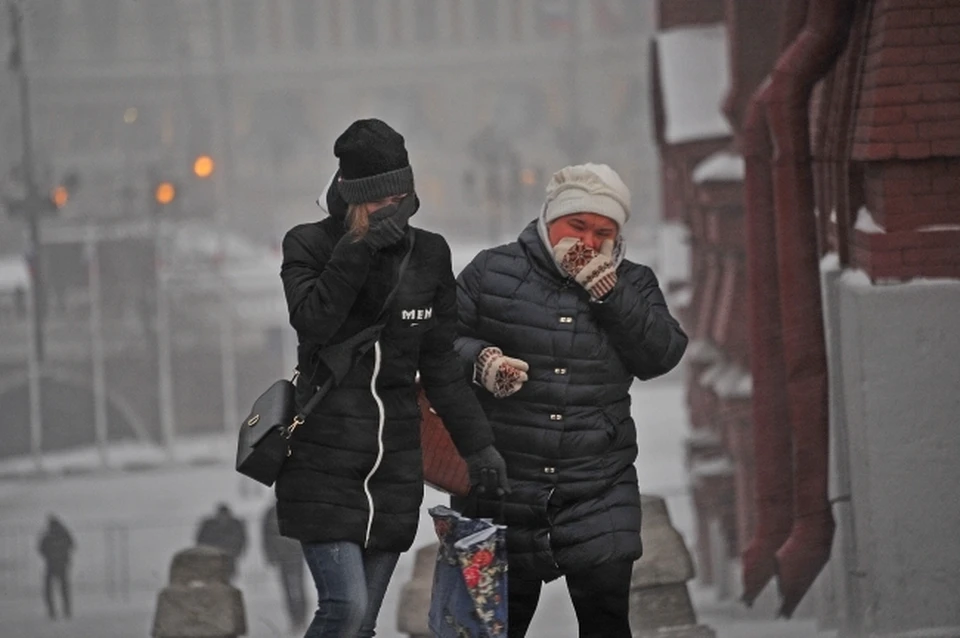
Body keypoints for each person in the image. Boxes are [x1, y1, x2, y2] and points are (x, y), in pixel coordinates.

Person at [276, 118, 508, 638]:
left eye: (401, 196)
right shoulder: (308, 245)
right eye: (380, 200)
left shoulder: (429, 255)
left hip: (393, 472)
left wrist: (480, 448)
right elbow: (314, 320)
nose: (393, 209)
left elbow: (443, 368)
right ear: (354, 199)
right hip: (324, 464)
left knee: (362, 627)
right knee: (347, 610)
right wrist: (358, 250)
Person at [454, 163, 689, 638]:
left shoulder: (634, 283)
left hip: (599, 488)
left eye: (603, 232)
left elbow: (661, 354)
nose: (587, 239)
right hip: (501, 490)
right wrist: (483, 363)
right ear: (548, 220)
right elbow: (438, 343)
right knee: (490, 631)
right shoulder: (492, 270)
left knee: (606, 625)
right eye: (576, 225)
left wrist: (610, 291)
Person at [262, 501, 308, 634]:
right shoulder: (270, 512)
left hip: (296, 555)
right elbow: (265, 536)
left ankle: (302, 619)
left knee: (298, 588)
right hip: (282, 557)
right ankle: (294, 620)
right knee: (288, 590)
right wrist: (270, 555)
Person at [195, 503, 247, 580]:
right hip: (211, 561)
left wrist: (233, 552)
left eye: (225, 515)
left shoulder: (236, 525)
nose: (223, 518)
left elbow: (242, 541)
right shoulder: (209, 525)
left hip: (229, 560)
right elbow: (201, 542)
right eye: (221, 515)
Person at [37, 514, 75, 620]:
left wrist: (49, 556)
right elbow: (72, 545)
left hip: (51, 564)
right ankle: (66, 610)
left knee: (48, 589)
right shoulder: (64, 533)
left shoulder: (47, 535)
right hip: (62, 564)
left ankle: (52, 611)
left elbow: (41, 548)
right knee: (64, 588)